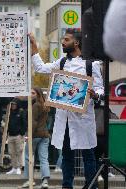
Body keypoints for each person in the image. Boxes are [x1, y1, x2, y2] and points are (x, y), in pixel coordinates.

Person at [28, 29, 104, 189]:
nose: (63, 42)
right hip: (65, 118)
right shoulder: (61, 62)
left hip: (83, 118)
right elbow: (41, 68)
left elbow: (100, 89)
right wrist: (34, 46)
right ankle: (66, 186)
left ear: (76, 43)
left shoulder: (91, 64)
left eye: (66, 39)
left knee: (88, 154)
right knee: (67, 155)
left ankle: (91, 185)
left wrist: (94, 94)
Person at [21, 88, 50, 189]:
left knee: (28, 157)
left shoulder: (35, 105)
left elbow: (33, 122)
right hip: (45, 135)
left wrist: (28, 135)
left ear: (38, 94)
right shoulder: (45, 105)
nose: (31, 94)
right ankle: (45, 181)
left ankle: (30, 180)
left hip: (35, 135)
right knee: (44, 159)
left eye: (33, 93)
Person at [6, 99, 26, 175]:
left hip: (18, 135)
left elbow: (24, 123)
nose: (13, 106)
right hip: (10, 135)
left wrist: (21, 133)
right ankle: (14, 167)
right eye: (12, 104)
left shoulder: (21, 112)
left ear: (17, 105)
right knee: (11, 152)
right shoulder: (9, 113)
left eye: (14, 104)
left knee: (19, 152)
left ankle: (19, 168)